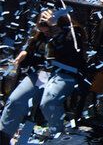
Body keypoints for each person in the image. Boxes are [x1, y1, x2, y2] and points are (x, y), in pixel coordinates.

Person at [0, 9, 87, 140]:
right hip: (43, 75)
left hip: (65, 73)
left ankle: (58, 138)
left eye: (48, 31)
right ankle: (3, 137)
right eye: (43, 32)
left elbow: (72, 51)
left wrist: (55, 27)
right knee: (16, 100)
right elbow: (32, 51)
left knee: (48, 102)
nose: (46, 34)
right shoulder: (41, 34)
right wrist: (23, 56)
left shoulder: (73, 32)